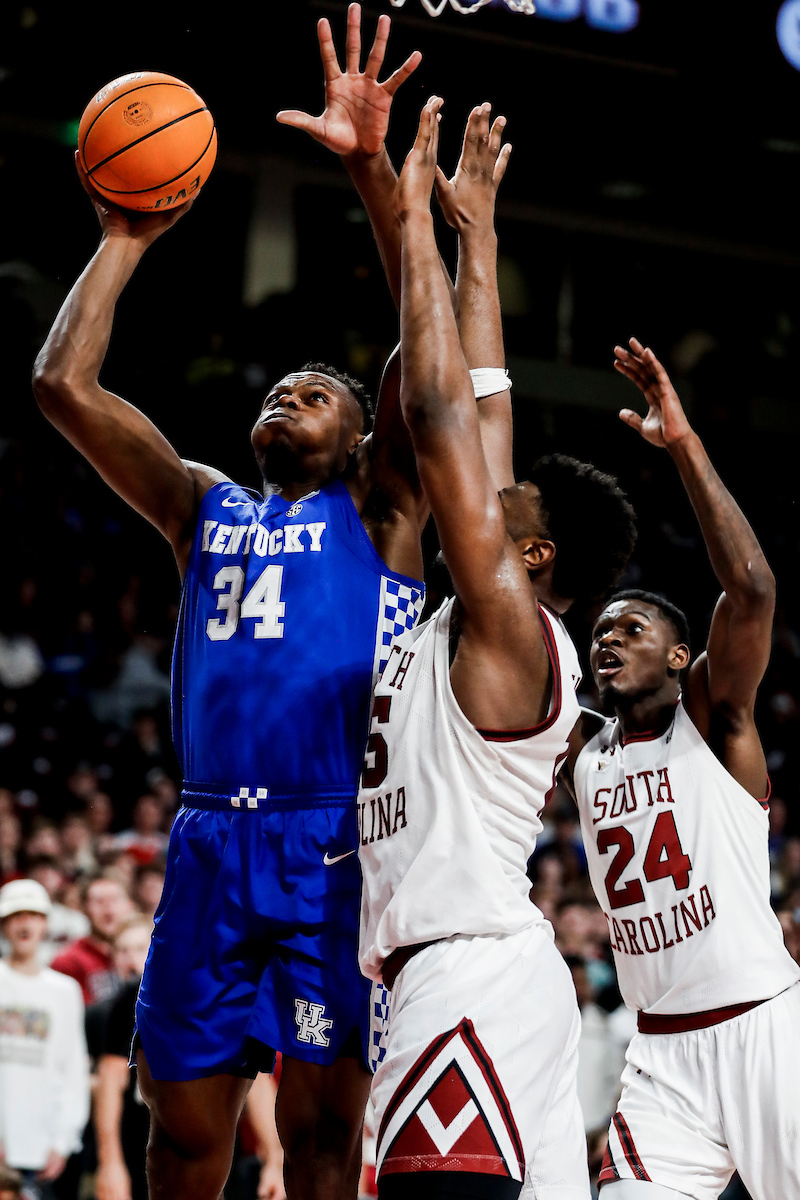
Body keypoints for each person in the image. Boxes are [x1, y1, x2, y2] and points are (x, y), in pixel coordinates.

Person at [32, 11, 428, 1199]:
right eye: (278, 385)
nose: (288, 393)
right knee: (184, 1143)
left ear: (364, 441)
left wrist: (368, 174)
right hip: (208, 840)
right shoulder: (202, 506)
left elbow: (426, 339)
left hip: (331, 845)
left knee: (316, 1147)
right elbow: (61, 384)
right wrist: (124, 235)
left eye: (317, 392)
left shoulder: (387, 512)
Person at [356, 99, 636, 1200]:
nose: (482, 485)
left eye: (499, 504)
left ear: (532, 551)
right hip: (473, 975)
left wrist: (404, 221)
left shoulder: (513, 633)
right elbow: (483, 408)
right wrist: (476, 236)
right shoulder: (494, 619)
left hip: (467, 978)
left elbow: (440, 421)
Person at [565, 339, 800, 1200]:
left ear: (681, 656)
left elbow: (754, 588)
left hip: (765, 1031)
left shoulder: (713, 719)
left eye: (633, 629)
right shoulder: (586, 756)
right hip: (659, 1051)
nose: (609, 637)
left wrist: (685, 447)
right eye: (602, 630)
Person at [0, 879, 90, 1200]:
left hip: (43, 1152)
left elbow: (72, 1069)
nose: (24, 923)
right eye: (15, 915)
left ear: (45, 924)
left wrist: (63, 1141)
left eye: (33, 915)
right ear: (4, 925)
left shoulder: (64, 991)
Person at [94, 914, 155, 1200]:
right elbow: (108, 1084)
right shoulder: (99, 1013)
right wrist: (110, 1163)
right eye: (123, 950)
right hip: (132, 1142)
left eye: (139, 948)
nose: (131, 959)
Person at [51, 874, 133, 1005]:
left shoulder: (144, 954)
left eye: (114, 899)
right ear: (85, 909)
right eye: (99, 901)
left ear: (130, 905)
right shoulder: (68, 961)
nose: (108, 909)